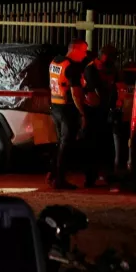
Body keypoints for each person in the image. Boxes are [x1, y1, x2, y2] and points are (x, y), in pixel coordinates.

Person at [49, 40, 89, 190]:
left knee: (60, 143)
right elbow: (75, 93)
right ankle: (59, 180)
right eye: (84, 51)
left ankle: (53, 175)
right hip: (67, 109)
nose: (85, 55)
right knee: (66, 146)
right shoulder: (71, 67)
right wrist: (82, 112)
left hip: (55, 107)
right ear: (76, 50)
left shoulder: (55, 62)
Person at [80, 45, 120, 187]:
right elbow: (99, 89)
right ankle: (90, 177)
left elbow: (113, 87)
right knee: (91, 145)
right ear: (101, 55)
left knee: (106, 145)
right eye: (109, 57)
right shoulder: (91, 69)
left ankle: (107, 175)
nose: (111, 60)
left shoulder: (110, 68)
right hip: (92, 112)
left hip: (104, 112)